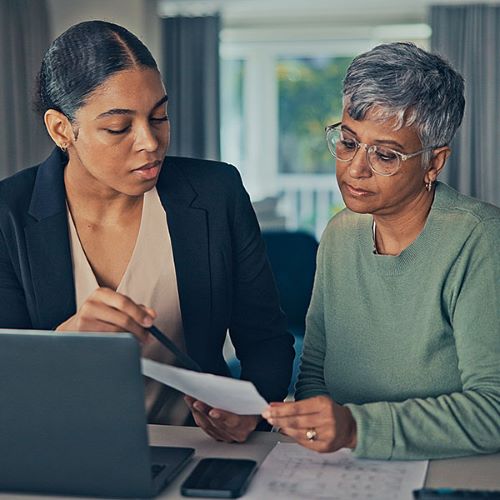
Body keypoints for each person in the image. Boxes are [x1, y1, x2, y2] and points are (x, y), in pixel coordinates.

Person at [0, 20, 293, 442]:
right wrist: (63, 344)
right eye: (119, 128)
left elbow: (265, 338)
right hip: (58, 448)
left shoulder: (216, 193)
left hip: (200, 448)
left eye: (159, 117)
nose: (150, 142)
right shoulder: (8, 214)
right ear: (61, 129)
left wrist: (251, 410)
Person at [262, 42, 500, 460]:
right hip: (343, 468)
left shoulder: (480, 238)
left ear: (433, 162)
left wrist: (357, 428)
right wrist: (300, 425)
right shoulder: (339, 235)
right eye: (349, 142)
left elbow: (494, 409)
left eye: (385, 155)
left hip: (447, 472)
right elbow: (315, 372)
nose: (355, 168)